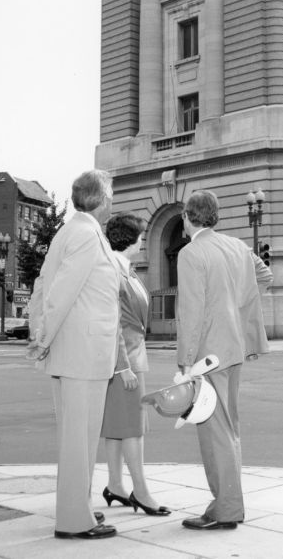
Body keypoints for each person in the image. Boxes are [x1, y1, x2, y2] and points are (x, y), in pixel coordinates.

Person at [28, 169, 120, 541]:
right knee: (79, 439)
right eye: (111, 193)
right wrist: (43, 336)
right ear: (99, 198)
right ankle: (72, 518)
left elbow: (43, 285)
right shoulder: (84, 235)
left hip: (80, 353)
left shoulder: (75, 231)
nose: (113, 201)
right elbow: (60, 292)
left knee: (79, 438)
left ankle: (77, 506)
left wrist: (42, 334)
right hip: (82, 353)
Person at [176, 189, 270, 531]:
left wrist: (185, 362)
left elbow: (191, 311)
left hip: (208, 356)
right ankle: (227, 503)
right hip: (234, 350)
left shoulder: (190, 253)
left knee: (214, 431)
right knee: (228, 428)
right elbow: (265, 278)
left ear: (188, 217)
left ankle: (226, 508)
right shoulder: (237, 247)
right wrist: (236, 311)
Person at [100, 212, 171, 517]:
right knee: (133, 429)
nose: (143, 240)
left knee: (118, 426)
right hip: (124, 362)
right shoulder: (114, 270)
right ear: (131, 238)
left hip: (129, 358)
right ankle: (140, 492)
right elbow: (111, 321)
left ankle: (115, 485)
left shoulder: (124, 268)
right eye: (141, 235)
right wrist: (122, 366)